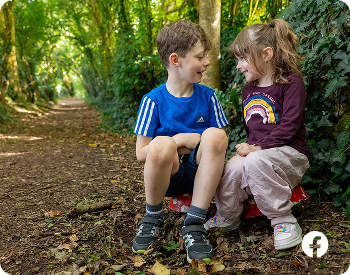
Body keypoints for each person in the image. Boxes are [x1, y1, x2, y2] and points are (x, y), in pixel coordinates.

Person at [204, 19, 310, 250]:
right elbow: (252, 130)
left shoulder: (291, 83)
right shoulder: (248, 90)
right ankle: (229, 216)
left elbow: (291, 126)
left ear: (266, 54)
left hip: (290, 155)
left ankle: (283, 220)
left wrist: (258, 148)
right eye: (238, 59)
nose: (239, 66)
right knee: (230, 168)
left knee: (253, 159)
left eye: (243, 58)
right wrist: (251, 150)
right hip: (258, 155)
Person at [132, 19, 228, 263]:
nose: (206, 62)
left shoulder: (209, 97)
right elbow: (141, 152)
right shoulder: (152, 101)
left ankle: (194, 223)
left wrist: (189, 140)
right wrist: (175, 141)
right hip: (169, 175)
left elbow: (216, 143)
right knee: (162, 144)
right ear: (176, 60)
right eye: (200, 57)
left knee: (216, 134)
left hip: (202, 174)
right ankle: (152, 216)